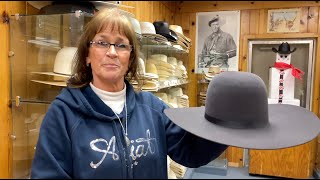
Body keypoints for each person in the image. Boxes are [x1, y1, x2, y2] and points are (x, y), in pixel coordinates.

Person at [30, 8, 228, 179]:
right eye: (102, 43)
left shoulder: (152, 108)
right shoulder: (63, 114)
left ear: (130, 58)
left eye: (121, 45)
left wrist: (226, 126)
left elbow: (190, 152)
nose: (112, 52)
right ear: (87, 55)